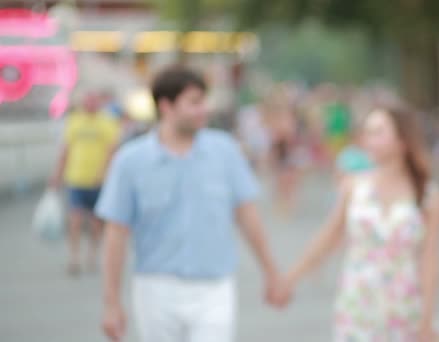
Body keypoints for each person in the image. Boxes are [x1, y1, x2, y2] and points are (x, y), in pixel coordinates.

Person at [95, 66, 280, 342]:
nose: (203, 109)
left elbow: (247, 216)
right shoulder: (130, 161)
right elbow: (116, 233)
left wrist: (271, 272)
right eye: (194, 102)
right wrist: (111, 304)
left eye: (203, 101)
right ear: (166, 106)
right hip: (155, 288)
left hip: (214, 287)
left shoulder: (225, 151)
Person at [272, 108, 439, 341]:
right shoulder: (353, 186)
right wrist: (289, 279)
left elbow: (429, 260)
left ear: (403, 139)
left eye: (377, 132)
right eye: (367, 132)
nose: (367, 139)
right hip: (358, 304)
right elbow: (327, 237)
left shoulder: (428, 195)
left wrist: (426, 320)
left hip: (406, 305)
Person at [50, 91, 120, 276]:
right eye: (87, 101)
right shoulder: (74, 121)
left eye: (93, 101)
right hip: (76, 178)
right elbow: (65, 149)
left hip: (99, 181)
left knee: (97, 222)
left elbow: (112, 150)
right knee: (75, 219)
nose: (90, 104)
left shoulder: (107, 122)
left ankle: (92, 254)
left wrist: (105, 173)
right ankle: (74, 257)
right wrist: (57, 175)